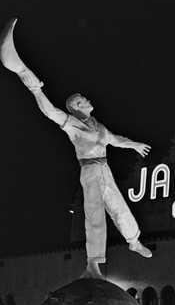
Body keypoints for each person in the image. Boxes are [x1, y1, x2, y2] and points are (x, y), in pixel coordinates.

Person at [15, 67, 152, 279]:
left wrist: (134, 145)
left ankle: (134, 241)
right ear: (77, 106)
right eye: (82, 99)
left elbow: (116, 139)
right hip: (89, 170)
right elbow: (50, 112)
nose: (87, 99)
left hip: (104, 169)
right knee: (95, 215)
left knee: (120, 208)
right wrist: (36, 90)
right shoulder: (73, 124)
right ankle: (94, 264)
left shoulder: (99, 126)